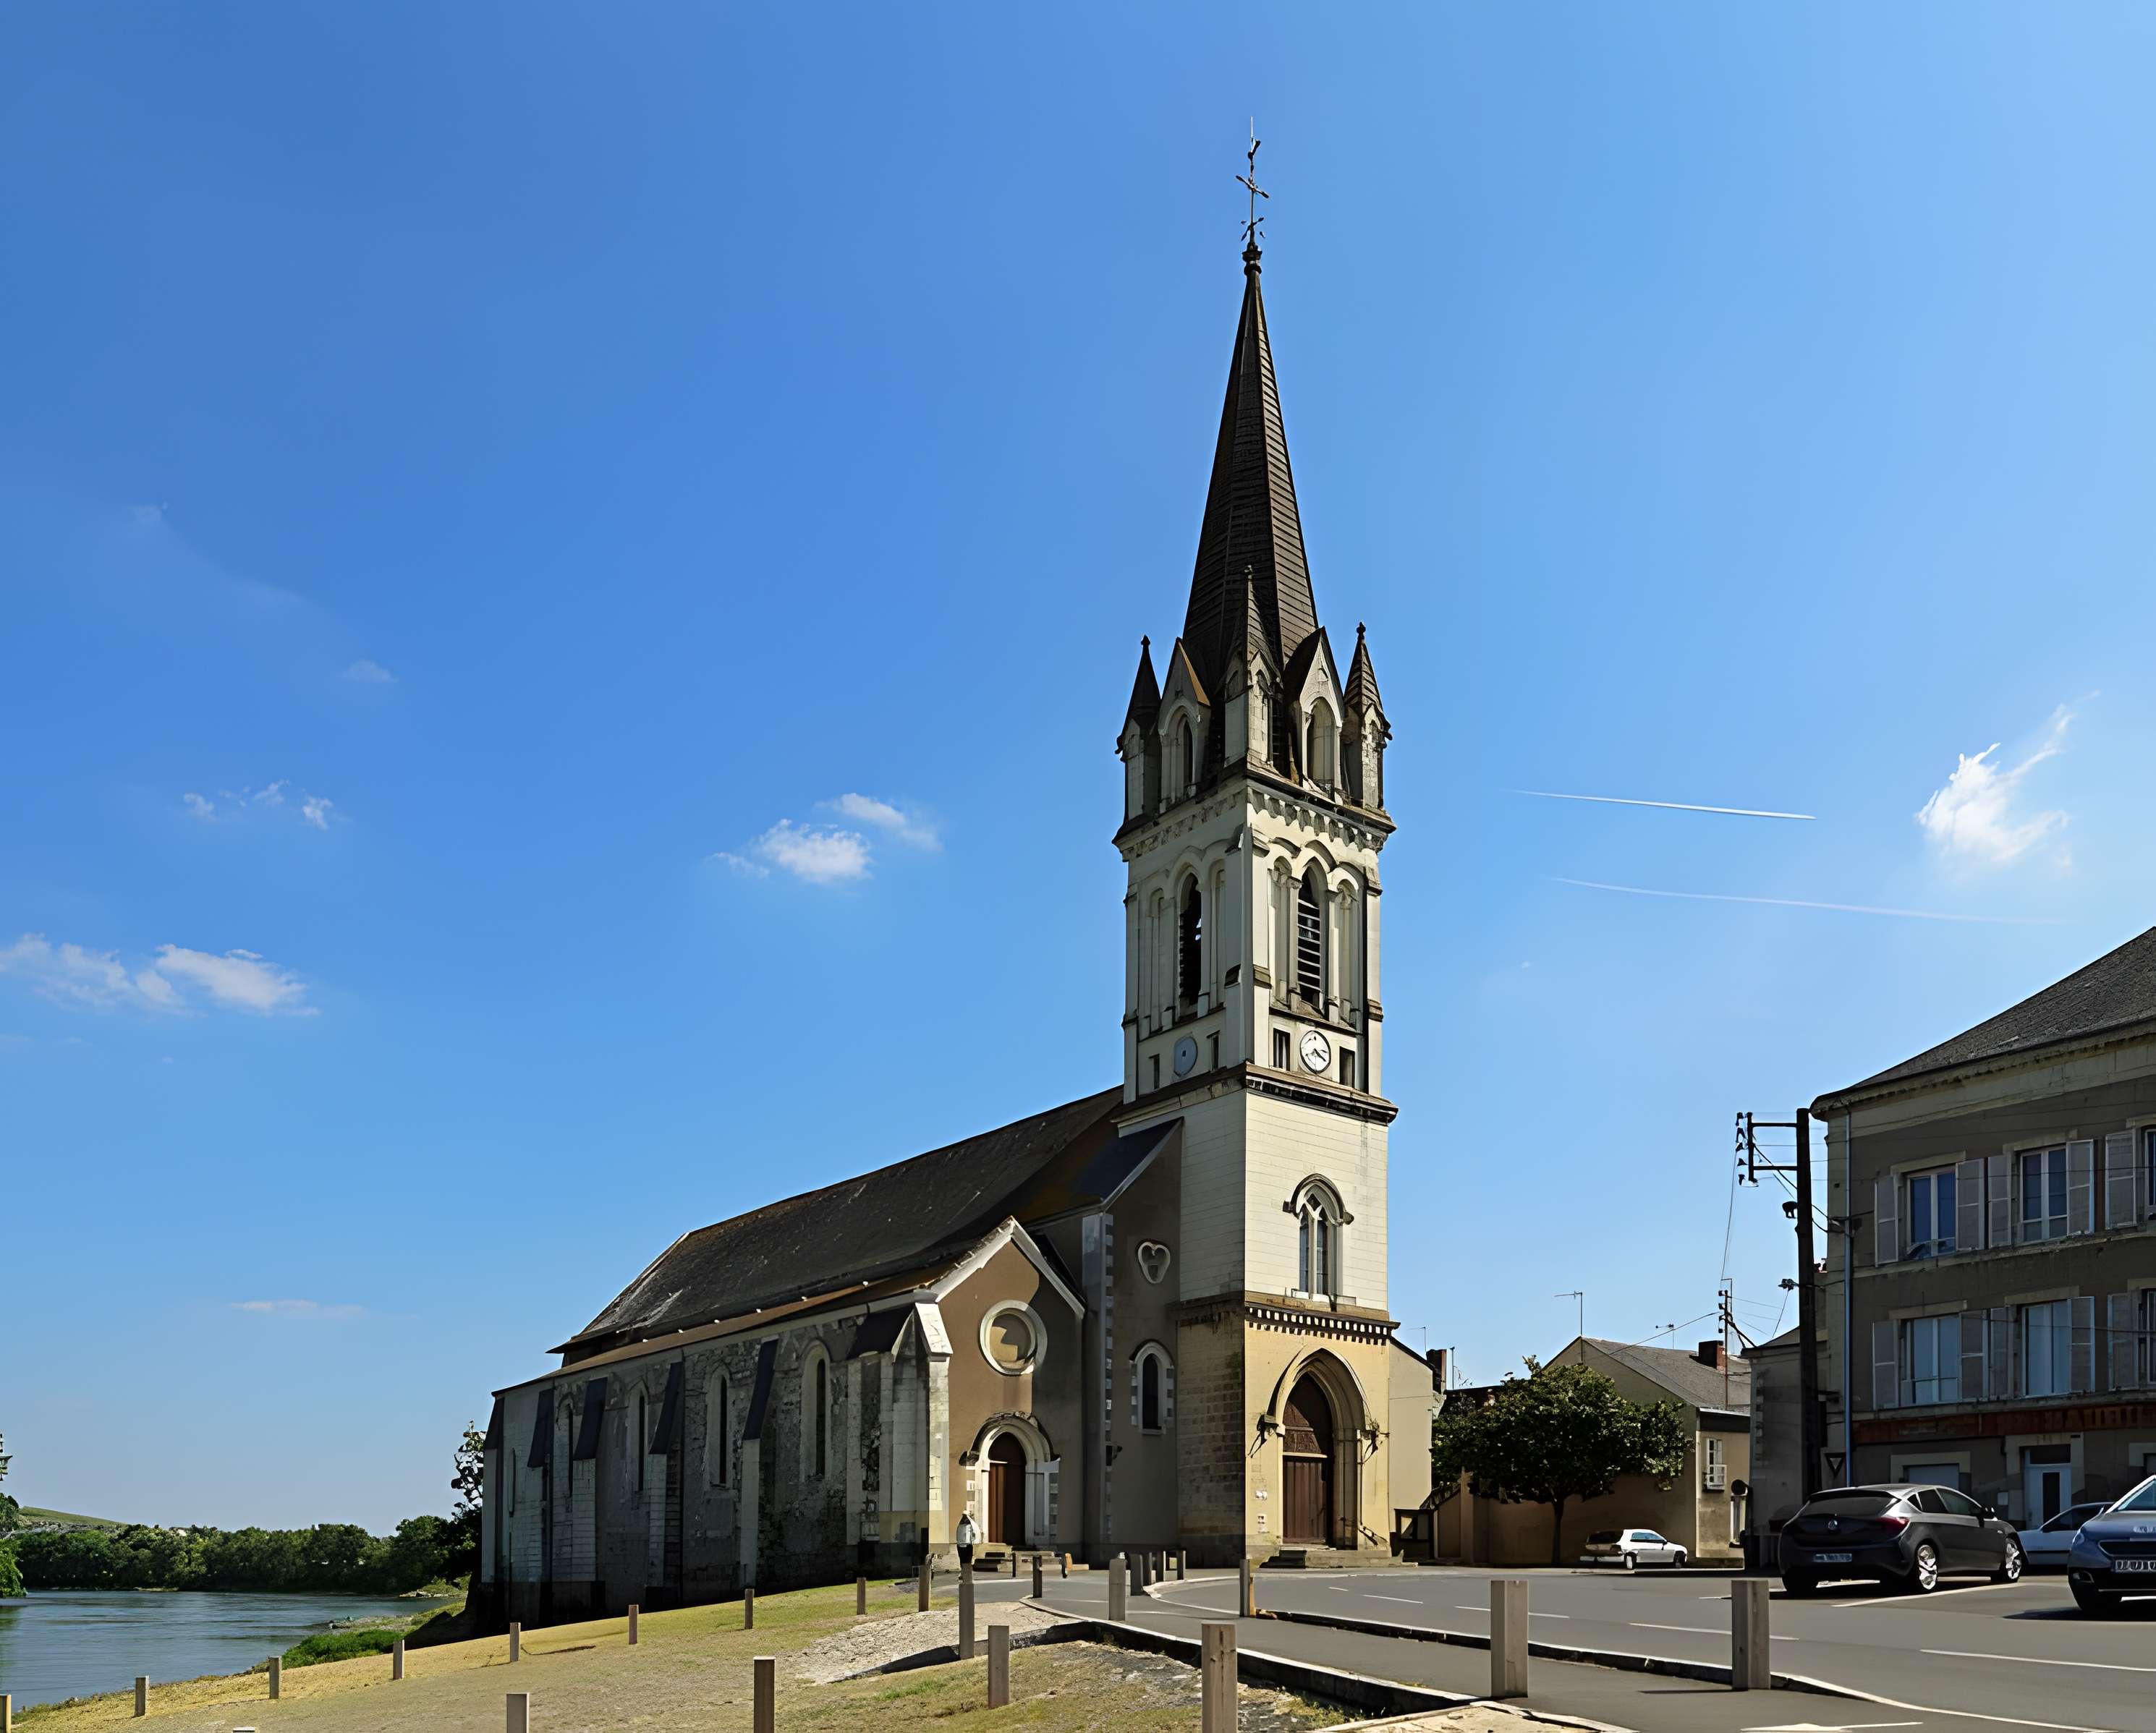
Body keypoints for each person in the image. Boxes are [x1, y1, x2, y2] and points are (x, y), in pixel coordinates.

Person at [955, 1510, 980, 1575]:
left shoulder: (971, 1526)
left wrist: (974, 1541)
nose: (965, 1519)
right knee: (962, 1559)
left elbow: (975, 1534)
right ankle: (963, 1571)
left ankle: (967, 1572)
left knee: (967, 1560)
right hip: (960, 1545)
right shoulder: (960, 1525)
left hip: (968, 1545)